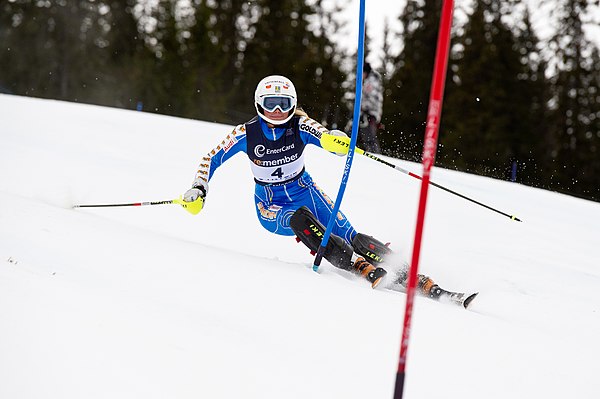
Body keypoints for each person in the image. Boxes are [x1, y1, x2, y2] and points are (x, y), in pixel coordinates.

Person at [182, 75, 468, 304]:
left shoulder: (299, 124)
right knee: (300, 218)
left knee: (351, 234)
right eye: (271, 104)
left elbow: (323, 135)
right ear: (259, 104)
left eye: (284, 104)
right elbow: (212, 158)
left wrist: (335, 141)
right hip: (271, 204)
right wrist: (199, 186)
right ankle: (356, 264)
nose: (278, 111)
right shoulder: (246, 133)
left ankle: (413, 275)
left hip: (305, 189)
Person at [358, 62, 384, 153]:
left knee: (369, 135)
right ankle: (371, 152)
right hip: (369, 112)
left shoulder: (371, 82)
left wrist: (364, 108)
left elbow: (372, 97)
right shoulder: (370, 81)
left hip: (370, 112)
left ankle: (375, 154)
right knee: (366, 135)